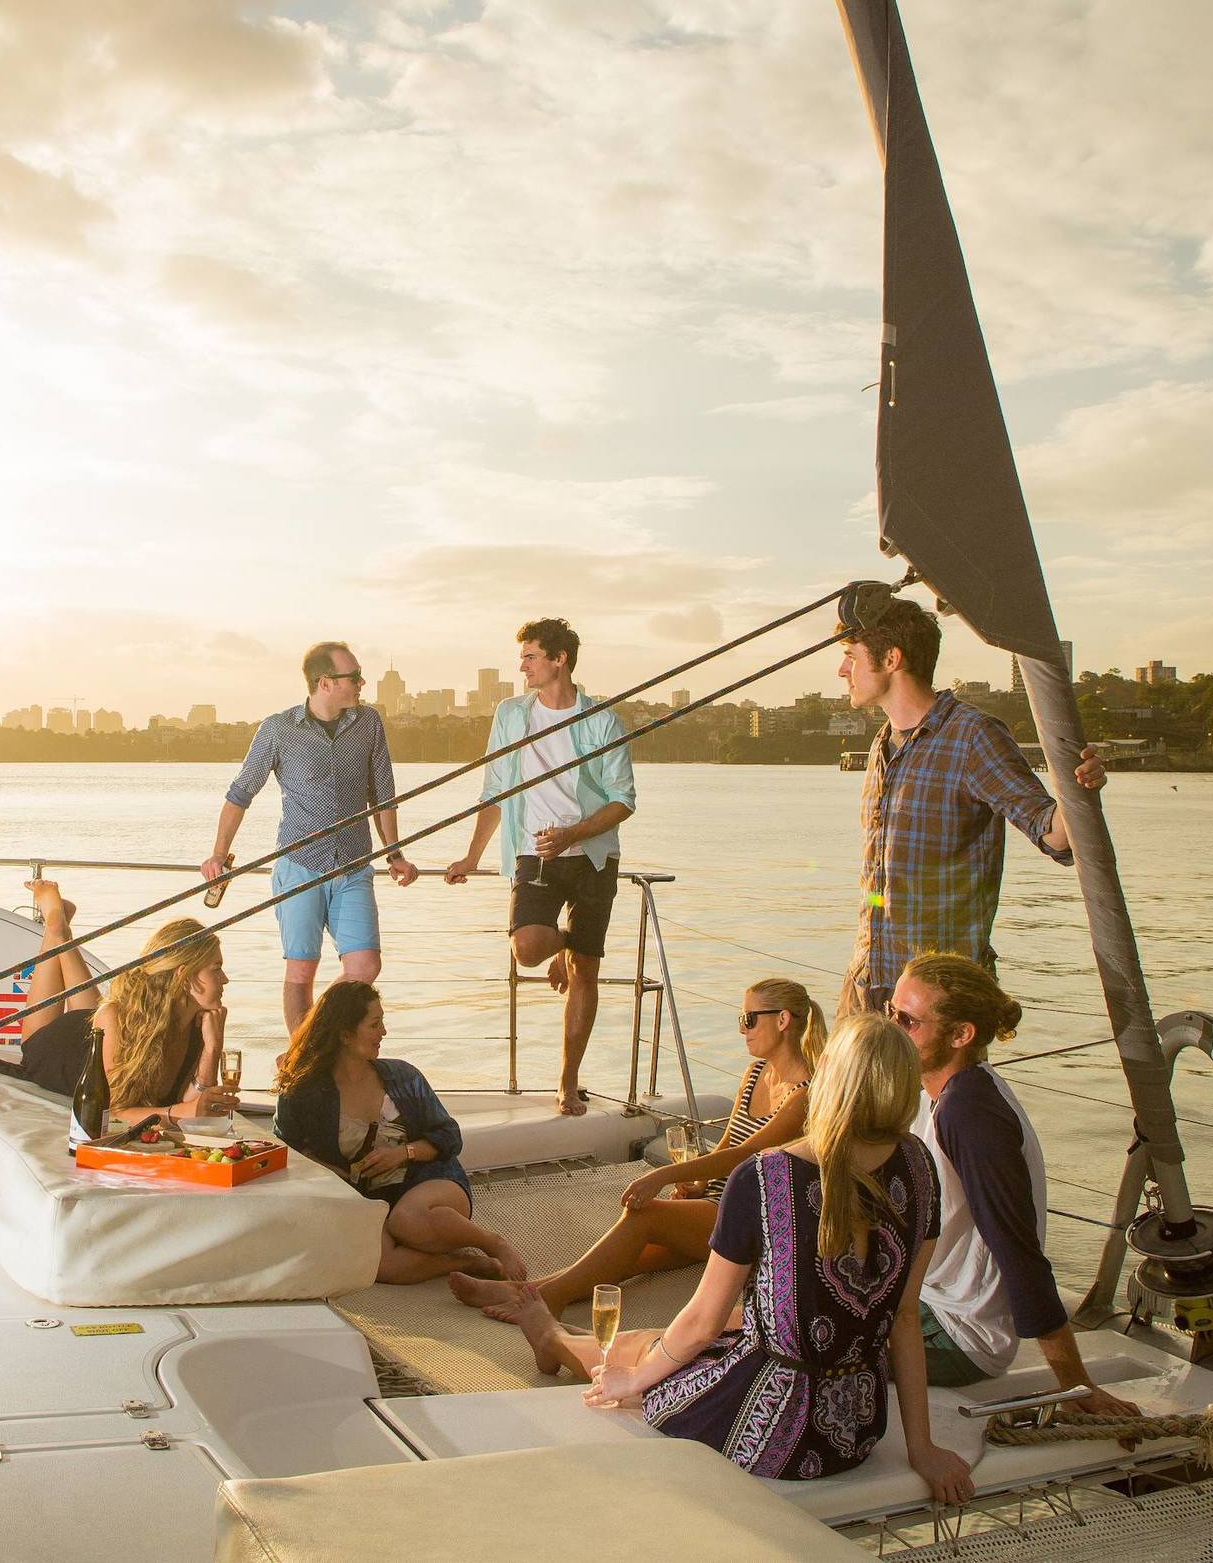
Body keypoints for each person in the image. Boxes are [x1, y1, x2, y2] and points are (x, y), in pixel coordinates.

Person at [508, 1014, 975, 1498]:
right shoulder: (921, 1167)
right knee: (708, 1336)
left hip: (770, 1431)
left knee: (658, 1359)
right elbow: (902, 1318)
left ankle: (554, 1339)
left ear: (830, 1082)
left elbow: (700, 1324)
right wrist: (922, 1449)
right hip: (856, 1426)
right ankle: (564, 1337)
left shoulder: (765, 1177)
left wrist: (635, 1385)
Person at [445, 977, 819, 1323]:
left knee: (644, 1217)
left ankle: (548, 1299)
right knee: (634, 1254)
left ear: (783, 1020)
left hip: (755, 1216)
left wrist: (661, 1175)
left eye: (749, 1019)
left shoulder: (802, 1095)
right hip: (720, 1202)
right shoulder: (755, 1074)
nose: (742, 1029)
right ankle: (529, 1290)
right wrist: (700, 1183)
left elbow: (743, 1155)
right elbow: (725, 1145)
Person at [886, 951, 1137, 1416]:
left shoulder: (971, 1116)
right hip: (924, 1301)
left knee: (789, 1342)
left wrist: (1075, 1388)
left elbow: (1017, 1250)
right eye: (891, 1011)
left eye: (908, 1020)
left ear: (961, 1035)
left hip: (957, 1333)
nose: (892, 1028)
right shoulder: (935, 1094)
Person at [836, 594, 1105, 1016]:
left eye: (852, 656)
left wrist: (1079, 787)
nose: (842, 670)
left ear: (891, 658)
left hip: (935, 1006)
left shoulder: (972, 737)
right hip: (868, 985)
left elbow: (1052, 832)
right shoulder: (881, 744)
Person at [443, 617, 636, 1115]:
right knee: (528, 947)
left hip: (592, 855)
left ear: (559, 660)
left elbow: (623, 801)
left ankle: (567, 1082)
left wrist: (573, 834)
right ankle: (571, 941)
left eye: (530, 657)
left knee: (585, 975)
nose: (522, 666)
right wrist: (472, 855)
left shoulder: (602, 721)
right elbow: (496, 790)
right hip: (533, 854)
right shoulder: (511, 715)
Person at [208, 642, 418, 1036]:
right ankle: (306, 1063)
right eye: (353, 677)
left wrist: (395, 855)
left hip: (354, 865)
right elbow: (240, 794)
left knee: (364, 968)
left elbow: (383, 796)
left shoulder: (369, 723)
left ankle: (306, 1045)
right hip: (300, 865)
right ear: (325, 682)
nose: (361, 683)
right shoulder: (278, 729)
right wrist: (218, 855)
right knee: (301, 969)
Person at [274, 980, 525, 1286]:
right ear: (344, 1034)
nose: (384, 1033)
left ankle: (493, 1243)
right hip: (365, 1195)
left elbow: (449, 1136)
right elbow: (287, 1148)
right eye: (375, 1024)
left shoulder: (402, 1077)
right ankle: (463, 1262)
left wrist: (401, 1154)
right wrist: (334, 1175)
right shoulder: (304, 1091)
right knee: (382, 1266)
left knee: (406, 1220)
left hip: (429, 1180)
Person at [3, 879, 237, 1120]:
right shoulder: (117, 1017)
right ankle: (55, 928)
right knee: (39, 1038)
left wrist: (213, 1047)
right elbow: (116, 1110)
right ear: (184, 975)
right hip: (59, 1046)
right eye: (216, 968)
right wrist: (185, 1111)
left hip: (96, 1027)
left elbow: (197, 1108)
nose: (225, 979)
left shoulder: (198, 1021)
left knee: (103, 1014)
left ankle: (60, 928)